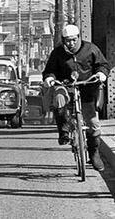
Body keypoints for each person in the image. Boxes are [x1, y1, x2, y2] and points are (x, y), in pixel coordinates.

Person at [42, 24, 110, 172]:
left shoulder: (91, 49)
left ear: (79, 37)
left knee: (93, 123)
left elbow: (103, 65)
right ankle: (64, 131)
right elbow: (49, 71)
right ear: (63, 40)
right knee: (59, 99)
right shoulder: (57, 53)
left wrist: (101, 73)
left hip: (87, 87)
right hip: (65, 86)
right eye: (67, 40)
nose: (71, 43)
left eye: (73, 40)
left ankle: (94, 153)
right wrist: (49, 78)